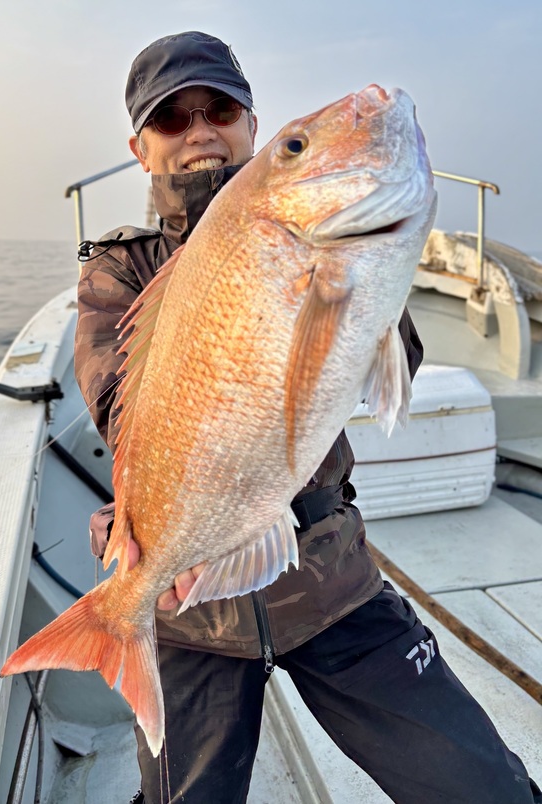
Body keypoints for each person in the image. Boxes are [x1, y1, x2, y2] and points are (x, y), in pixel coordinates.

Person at [75, 31, 541, 804]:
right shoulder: (121, 269)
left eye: (220, 110)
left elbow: (396, 359)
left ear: (251, 125)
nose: (199, 131)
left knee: (488, 790)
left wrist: (370, 261)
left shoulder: (327, 239)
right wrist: (146, 543)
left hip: (329, 579)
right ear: (140, 147)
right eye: (172, 118)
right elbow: (118, 409)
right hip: (192, 615)